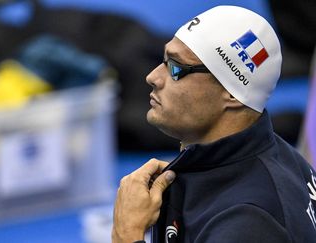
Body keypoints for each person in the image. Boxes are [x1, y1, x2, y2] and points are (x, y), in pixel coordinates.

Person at [112, 5, 316, 243]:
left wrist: (126, 234)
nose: (153, 77)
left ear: (231, 93)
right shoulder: (270, 156)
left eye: (176, 69)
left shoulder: (247, 223)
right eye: (163, 60)